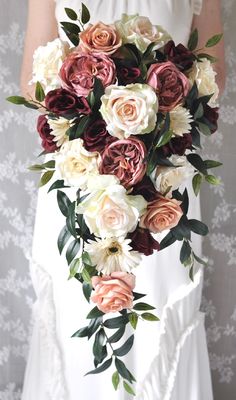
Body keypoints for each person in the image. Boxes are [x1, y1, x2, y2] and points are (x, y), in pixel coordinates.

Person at [20, 1, 225, 399]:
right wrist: (94, 110)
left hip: (163, 175)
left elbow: (213, 78)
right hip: (78, 170)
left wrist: (151, 111)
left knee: (158, 313)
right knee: (77, 309)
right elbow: (31, 82)